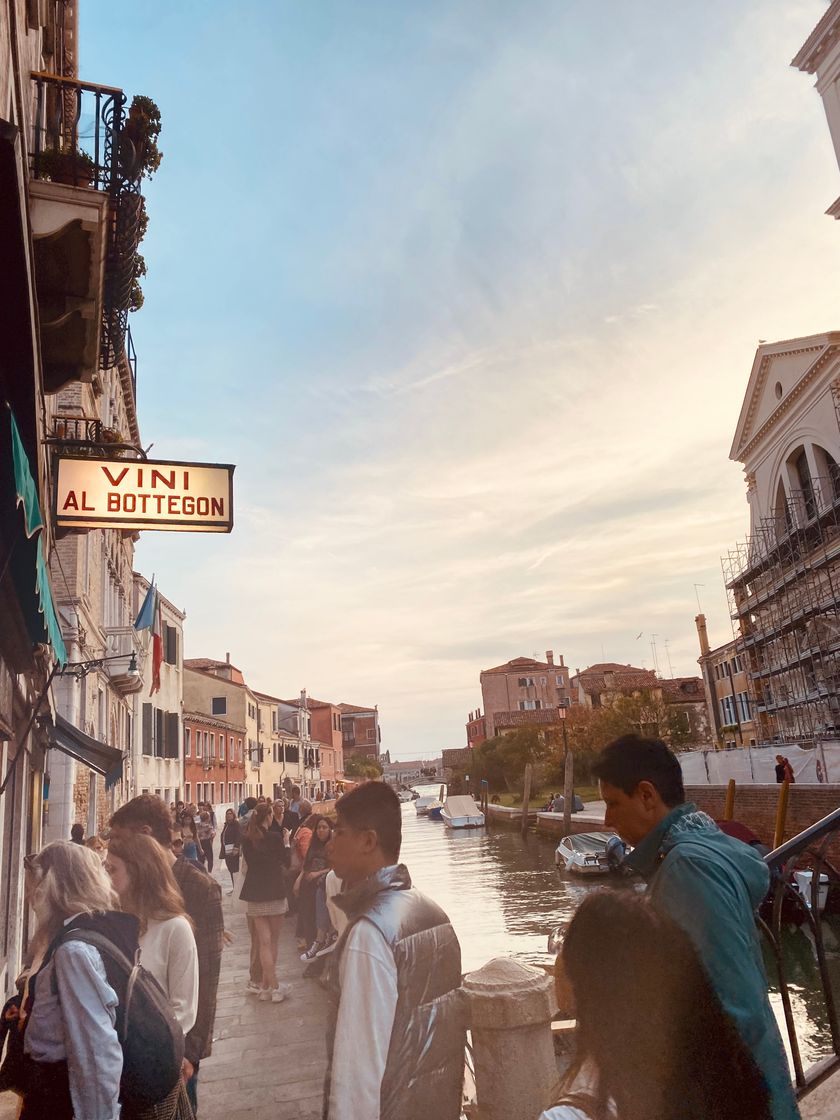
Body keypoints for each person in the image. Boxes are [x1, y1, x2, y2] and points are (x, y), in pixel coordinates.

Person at [591, 735, 800, 1120]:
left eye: (613, 803)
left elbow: (732, 1005)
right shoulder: (706, 844)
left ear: (647, 796)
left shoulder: (687, 868)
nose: (607, 820)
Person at [540, 890, 771, 1120]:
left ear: (588, 981)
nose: (559, 958)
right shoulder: (723, 1077)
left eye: (566, 942)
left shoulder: (570, 1116)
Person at [323, 782, 464, 1120]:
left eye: (339, 832)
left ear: (368, 840)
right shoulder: (432, 911)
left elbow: (358, 1071)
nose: (329, 842)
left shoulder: (369, 934)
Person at [110, 795, 223, 1116]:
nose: (113, 847)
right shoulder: (120, 889)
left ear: (144, 833)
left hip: (176, 1048)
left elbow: (208, 978)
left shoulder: (200, 886)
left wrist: (189, 1051)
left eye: (119, 838)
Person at [18, 841, 132, 1119]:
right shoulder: (72, 937)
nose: (31, 896)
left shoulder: (73, 952)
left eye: (36, 886)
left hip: (58, 1098)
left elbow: (95, 1053)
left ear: (54, 888)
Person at [105, 832, 199, 1038]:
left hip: (152, 1055)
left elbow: (183, 1011)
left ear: (138, 872)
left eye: (112, 869)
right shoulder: (109, 924)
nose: (106, 877)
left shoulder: (175, 928)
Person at [240, 802, 292, 1001]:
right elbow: (286, 862)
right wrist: (287, 842)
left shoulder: (247, 839)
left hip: (254, 894)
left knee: (263, 943)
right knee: (274, 942)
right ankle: (275, 987)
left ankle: (264, 987)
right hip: (274, 891)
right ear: (269, 817)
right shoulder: (275, 837)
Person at [295, 817, 335, 959]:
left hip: (322, 887)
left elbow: (335, 867)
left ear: (330, 829)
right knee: (307, 919)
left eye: (324, 827)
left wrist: (318, 873)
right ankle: (310, 949)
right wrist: (299, 880)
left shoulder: (333, 846)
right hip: (308, 886)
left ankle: (319, 955)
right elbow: (306, 864)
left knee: (319, 921)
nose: (321, 830)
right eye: (319, 827)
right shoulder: (314, 844)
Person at [219, 808, 241, 893]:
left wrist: (236, 847)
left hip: (233, 851)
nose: (229, 815)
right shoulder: (226, 824)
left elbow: (239, 836)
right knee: (231, 869)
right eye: (227, 814)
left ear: (234, 814)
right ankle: (234, 887)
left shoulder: (236, 824)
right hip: (227, 851)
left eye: (230, 813)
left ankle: (237, 888)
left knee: (235, 870)